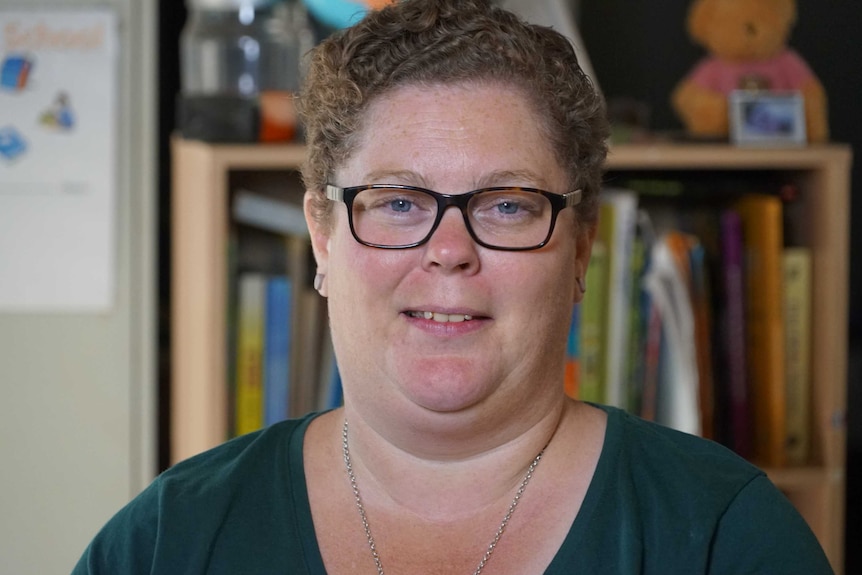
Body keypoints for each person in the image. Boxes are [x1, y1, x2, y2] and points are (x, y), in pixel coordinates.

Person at [73, 0, 835, 573]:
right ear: (323, 235)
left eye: (506, 205)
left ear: (581, 249)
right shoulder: (165, 540)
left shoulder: (727, 538)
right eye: (398, 201)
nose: (448, 251)